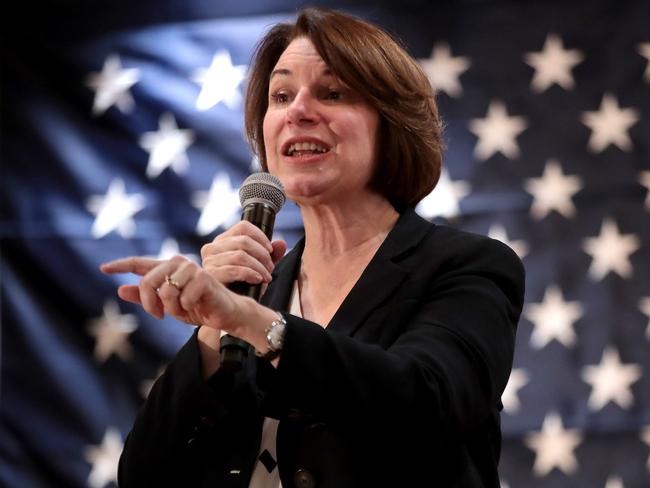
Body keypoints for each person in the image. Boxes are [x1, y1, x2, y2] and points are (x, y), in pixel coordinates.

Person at [101, 6, 525, 487]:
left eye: (332, 92)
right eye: (280, 96)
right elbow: (144, 474)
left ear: (392, 125)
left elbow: (426, 404)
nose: (298, 111)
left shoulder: (467, 267)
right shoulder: (255, 289)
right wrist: (212, 333)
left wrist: (253, 322)